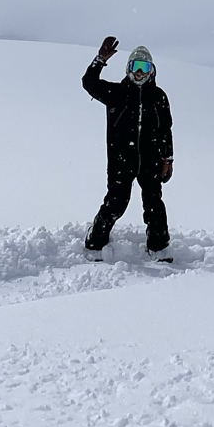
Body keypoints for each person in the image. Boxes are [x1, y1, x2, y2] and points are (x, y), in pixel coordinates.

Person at [81, 35, 175, 260]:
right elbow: (89, 83)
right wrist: (99, 60)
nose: (140, 72)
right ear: (128, 69)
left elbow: (166, 130)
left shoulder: (159, 97)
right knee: (116, 202)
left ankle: (159, 247)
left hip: (151, 160)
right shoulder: (116, 94)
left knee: (154, 204)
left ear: (152, 70)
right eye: (136, 66)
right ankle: (95, 241)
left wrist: (168, 159)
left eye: (145, 67)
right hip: (121, 160)